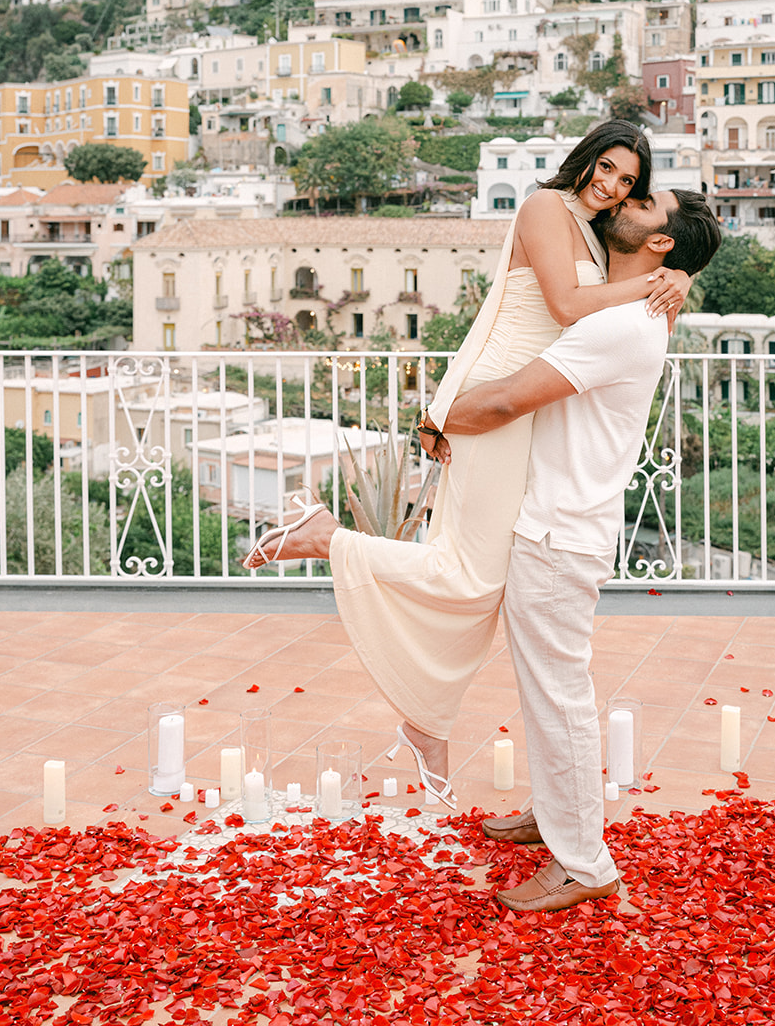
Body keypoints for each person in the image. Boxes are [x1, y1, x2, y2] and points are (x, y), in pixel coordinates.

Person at [243, 121, 691, 804]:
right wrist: (447, 402)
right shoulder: (545, 206)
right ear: (584, 159)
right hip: (499, 399)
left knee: (479, 579)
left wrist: (675, 277)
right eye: (605, 168)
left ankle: (427, 724)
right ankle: (324, 537)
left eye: (627, 182)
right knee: (472, 578)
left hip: (530, 400)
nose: (610, 186)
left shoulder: (599, 233)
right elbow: (564, 306)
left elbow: (608, 304)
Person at [438, 187, 721, 912]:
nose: (626, 196)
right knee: (547, 694)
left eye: (645, 200)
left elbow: (504, 403)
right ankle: (556, 816)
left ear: (658, 244)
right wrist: (681, 277)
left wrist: (439, 416)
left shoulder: (620, 323)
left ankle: (584, 865)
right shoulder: (625, 304)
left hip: (559, 534)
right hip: (558, 525)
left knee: (559, 696)